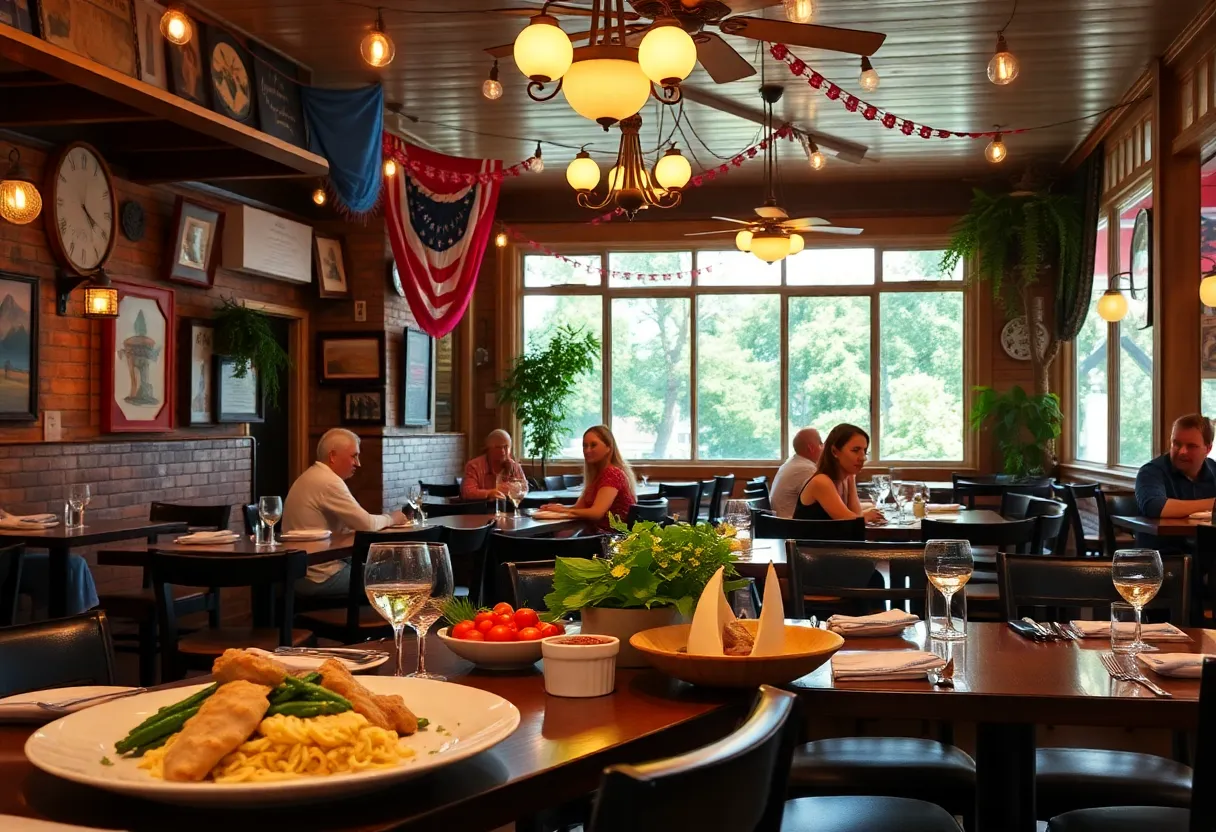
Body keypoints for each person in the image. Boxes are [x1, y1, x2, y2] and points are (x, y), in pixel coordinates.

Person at [282, 428, 407, 598]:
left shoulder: (311, 475)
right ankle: (380, 623)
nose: (358, 463)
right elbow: (367, 524)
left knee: (387, 568)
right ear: (333, 456)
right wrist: (394, 517)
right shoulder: (328, 481)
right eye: (353, 456)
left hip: (300, 571)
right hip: (319, 576)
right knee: (401, 573)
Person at [539, 425, 636, 530]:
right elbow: (578, 508)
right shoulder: (596, 476)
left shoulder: (612, 473)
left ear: (609, 447)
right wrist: (556, 509)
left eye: (593, 445)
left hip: (611, 541)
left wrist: (564, 511)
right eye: (585, 446)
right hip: (596, 537)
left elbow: (596, 513)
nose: (587, 450)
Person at [793, 423, 885, 524]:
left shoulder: (848, 477)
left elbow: (856, 516)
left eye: (865, 451)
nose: (863, 458)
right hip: (811, 540)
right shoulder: (821, 481)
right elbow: (850, 524)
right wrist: (866, 516)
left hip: (832, 539)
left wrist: (863, 517)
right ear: (834, 452)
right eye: (855, 450)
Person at [1135, 414, 1216, 518]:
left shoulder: (1213, 468)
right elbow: (1155, 507)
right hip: (1167, 534)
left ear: (1208, 449)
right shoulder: (1150, 471)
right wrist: (1213, 504)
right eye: (1176, 444)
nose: (1182, 452)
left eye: (1191, 446)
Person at [770, 428, 823, 518]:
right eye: (821, 443)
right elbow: (823, 500)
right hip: (790, 526)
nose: (823, 447)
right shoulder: (806, 469)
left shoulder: (793, 462)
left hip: (780, 522)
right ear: (811, 448)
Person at [461, 429, 526, 501]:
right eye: (498, 447)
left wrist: (516, 490)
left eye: (506, 447)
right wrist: (490, 493)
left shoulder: (515, 466)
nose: (503, 451)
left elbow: (524, 488)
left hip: (509, 508)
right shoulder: (474, 466)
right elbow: (467, 492)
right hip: (482, 509)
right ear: (489, 449)